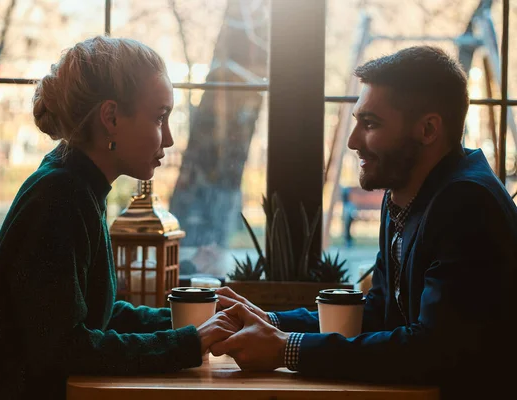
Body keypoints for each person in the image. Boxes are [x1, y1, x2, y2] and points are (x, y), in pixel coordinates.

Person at [0, 36, 238, 399]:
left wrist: (198, 318)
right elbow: (66, 349)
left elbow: (98, 314)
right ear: (110, 117)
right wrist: (186, 344)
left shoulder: (75, 184)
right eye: (160, 117)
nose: (170, 139)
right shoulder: (61, 197)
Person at [212, 46, 517, 399]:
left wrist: (286, 349)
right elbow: (378, 312)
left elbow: (433, 349)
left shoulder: (466, 202)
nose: (354, 141)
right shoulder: (406, 192)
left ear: (428, 128)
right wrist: (272, 321)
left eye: (370, 124)